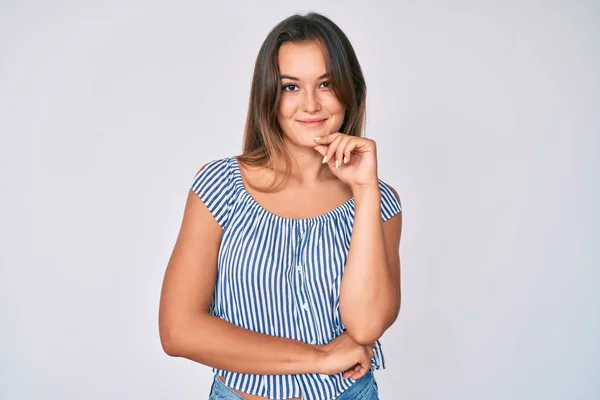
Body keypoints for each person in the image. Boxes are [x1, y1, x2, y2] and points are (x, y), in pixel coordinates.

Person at [158, 12, 403, 400]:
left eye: (326, 84)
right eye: (291, 87)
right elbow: (178, 330)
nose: (310, 104)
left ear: (349, 90)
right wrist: (317, 357)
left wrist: (365, 191)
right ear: (269, 95)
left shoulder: (379, 200)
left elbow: (366, 326)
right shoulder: (221, 187)